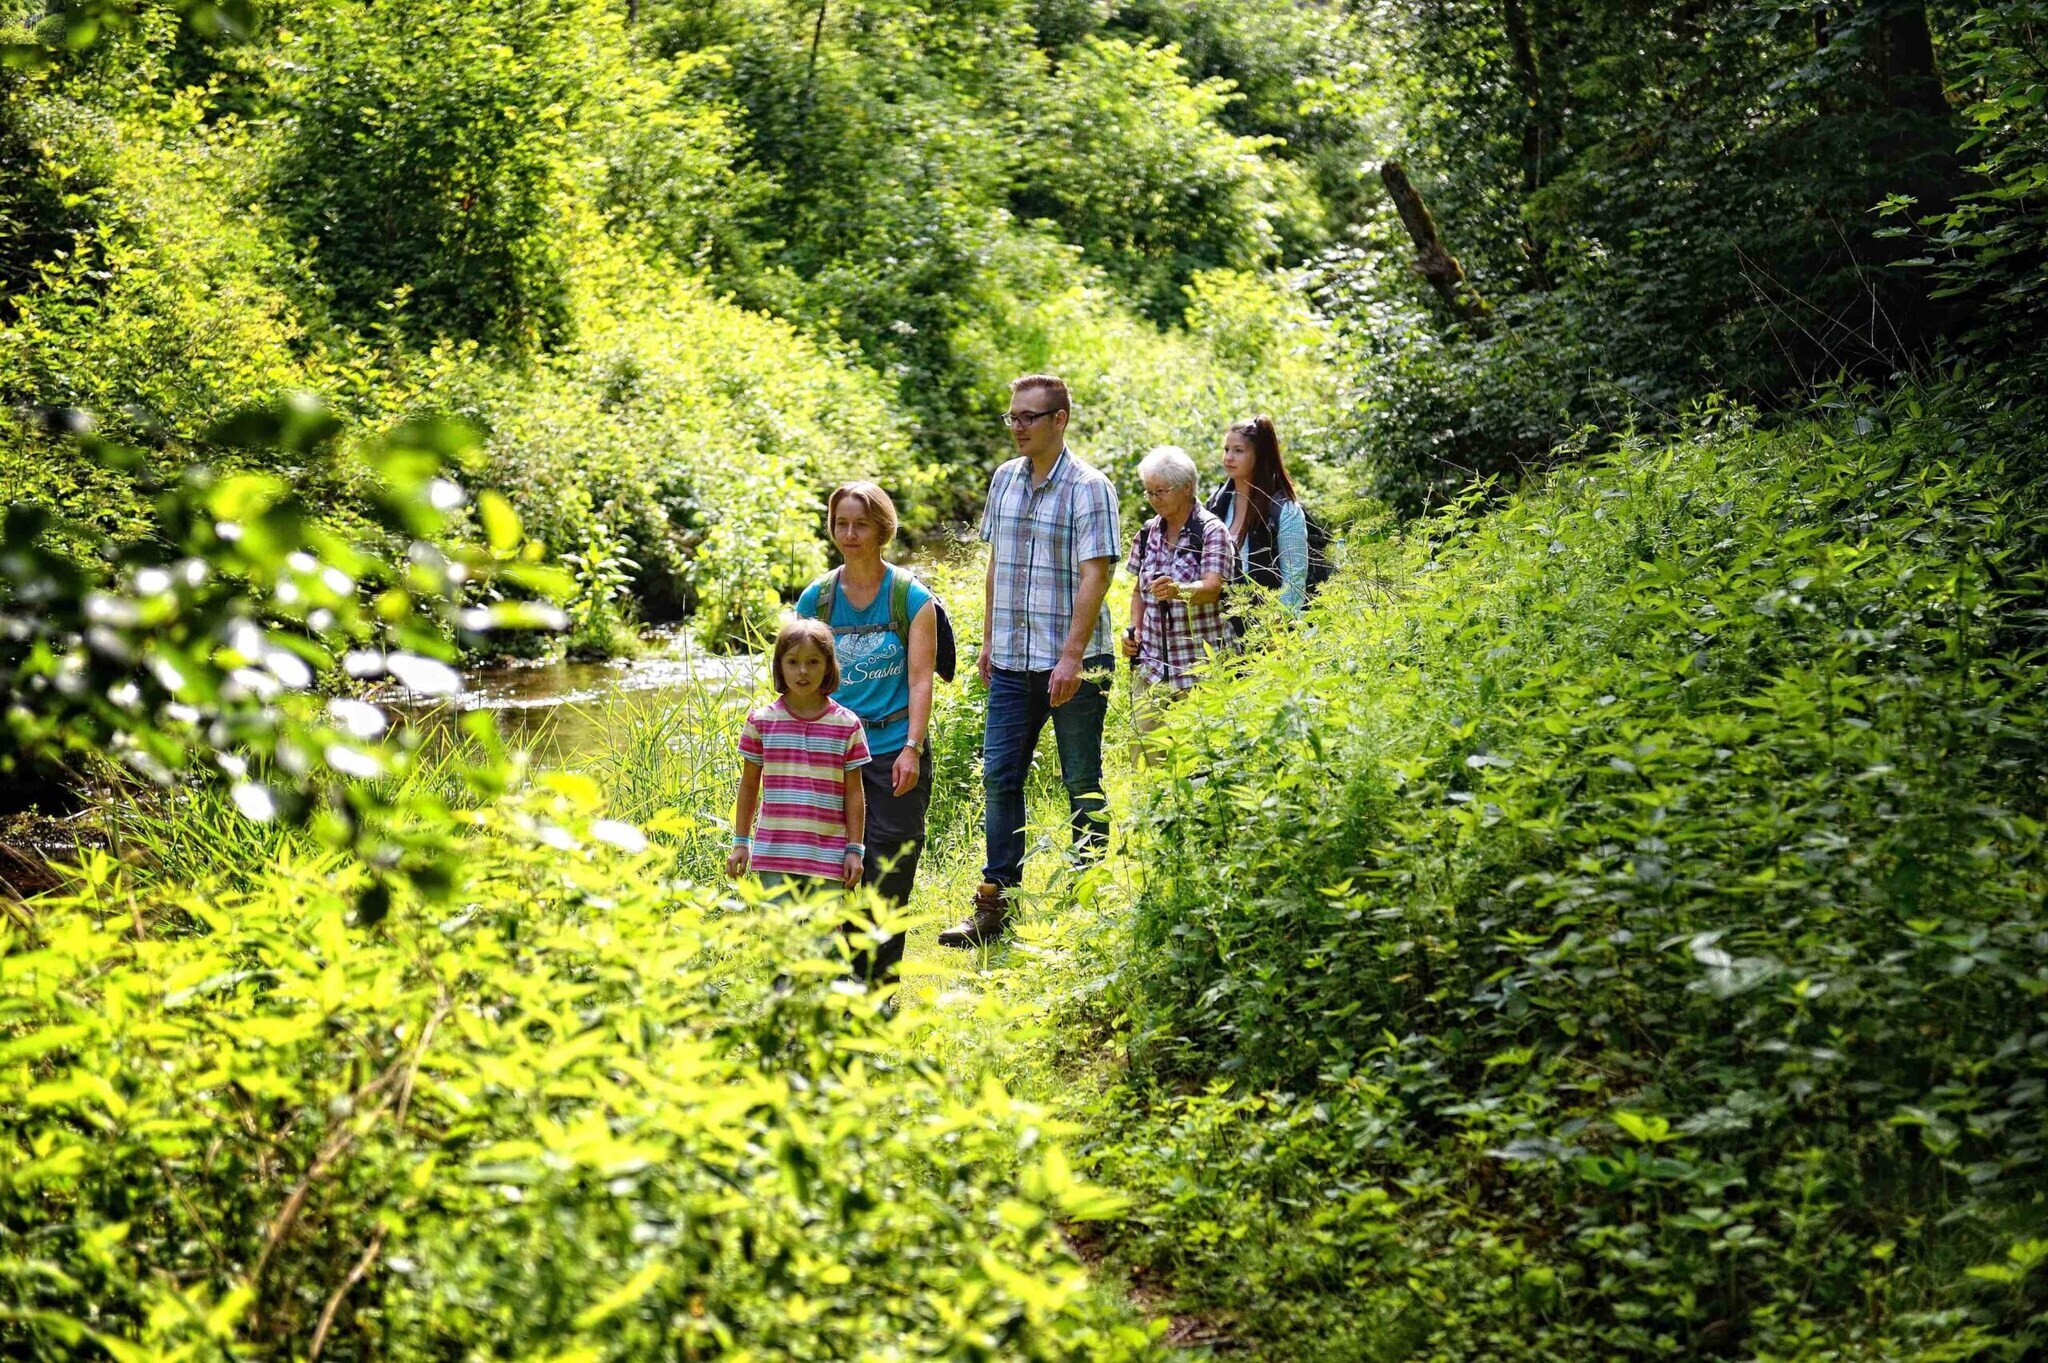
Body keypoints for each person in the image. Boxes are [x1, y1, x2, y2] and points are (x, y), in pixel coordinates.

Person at [941, 373, 1120, 949]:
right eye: (1012, 417)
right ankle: (996, 906)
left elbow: (1099, 573)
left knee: (1081, 780)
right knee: (999, 777)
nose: (1016, 427)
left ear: (1059, 420)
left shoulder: (1090, 487)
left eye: (1027, 417)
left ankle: (1090, 901)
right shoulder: (1004, 480)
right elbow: (998, 563)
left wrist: (1071, 657)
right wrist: (989, 640)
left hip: (1075, 663)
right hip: (1013, 662)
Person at [795, 482, 936, 984]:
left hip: (894, 749)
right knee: (830, 866)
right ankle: (842, 974)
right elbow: (800, 677)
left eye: (860, 524)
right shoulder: (817, 598)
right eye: (841, 524)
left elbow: (921, 680)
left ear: (882, 529)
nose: (849, 534)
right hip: (830, 753)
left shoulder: (911, 597)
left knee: (890, 868)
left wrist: (912, 749)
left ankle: (878, 980)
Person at [727, 618, 870, 900]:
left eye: (813, 662)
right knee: (782, 941)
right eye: (792, 662)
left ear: (828, 666)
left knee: (825, 943)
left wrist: (855, 849)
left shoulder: (847, 725)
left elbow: (855, 792)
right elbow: (748, 786)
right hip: (774, 854)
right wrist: (741, 842)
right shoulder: (761, 722)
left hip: (827, 856)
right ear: (779, 666)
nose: (802, 671)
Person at [1119, 445, 1233, 757]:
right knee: (1145, 754)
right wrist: (1133, 630)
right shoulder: (1147, 534)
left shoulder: (1211, 531)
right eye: (1149, 492)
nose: (1154, 499)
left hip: (1199, 666)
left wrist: (1177, 590)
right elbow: (1138, 593)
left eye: (1161, 491)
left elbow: (1213, 588)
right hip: (1153, 665)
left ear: (1186, 488)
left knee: (1201, 759)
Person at [1206, 414, 1310, 613]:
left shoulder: (1285, 510)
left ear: (1259, 456)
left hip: (1269, 629)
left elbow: (1294, 582)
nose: (1228, 458)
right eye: (1226, 450)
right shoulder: (1217, 504)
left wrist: (1277, 634)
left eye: (1238, 451)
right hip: (1225, 628)